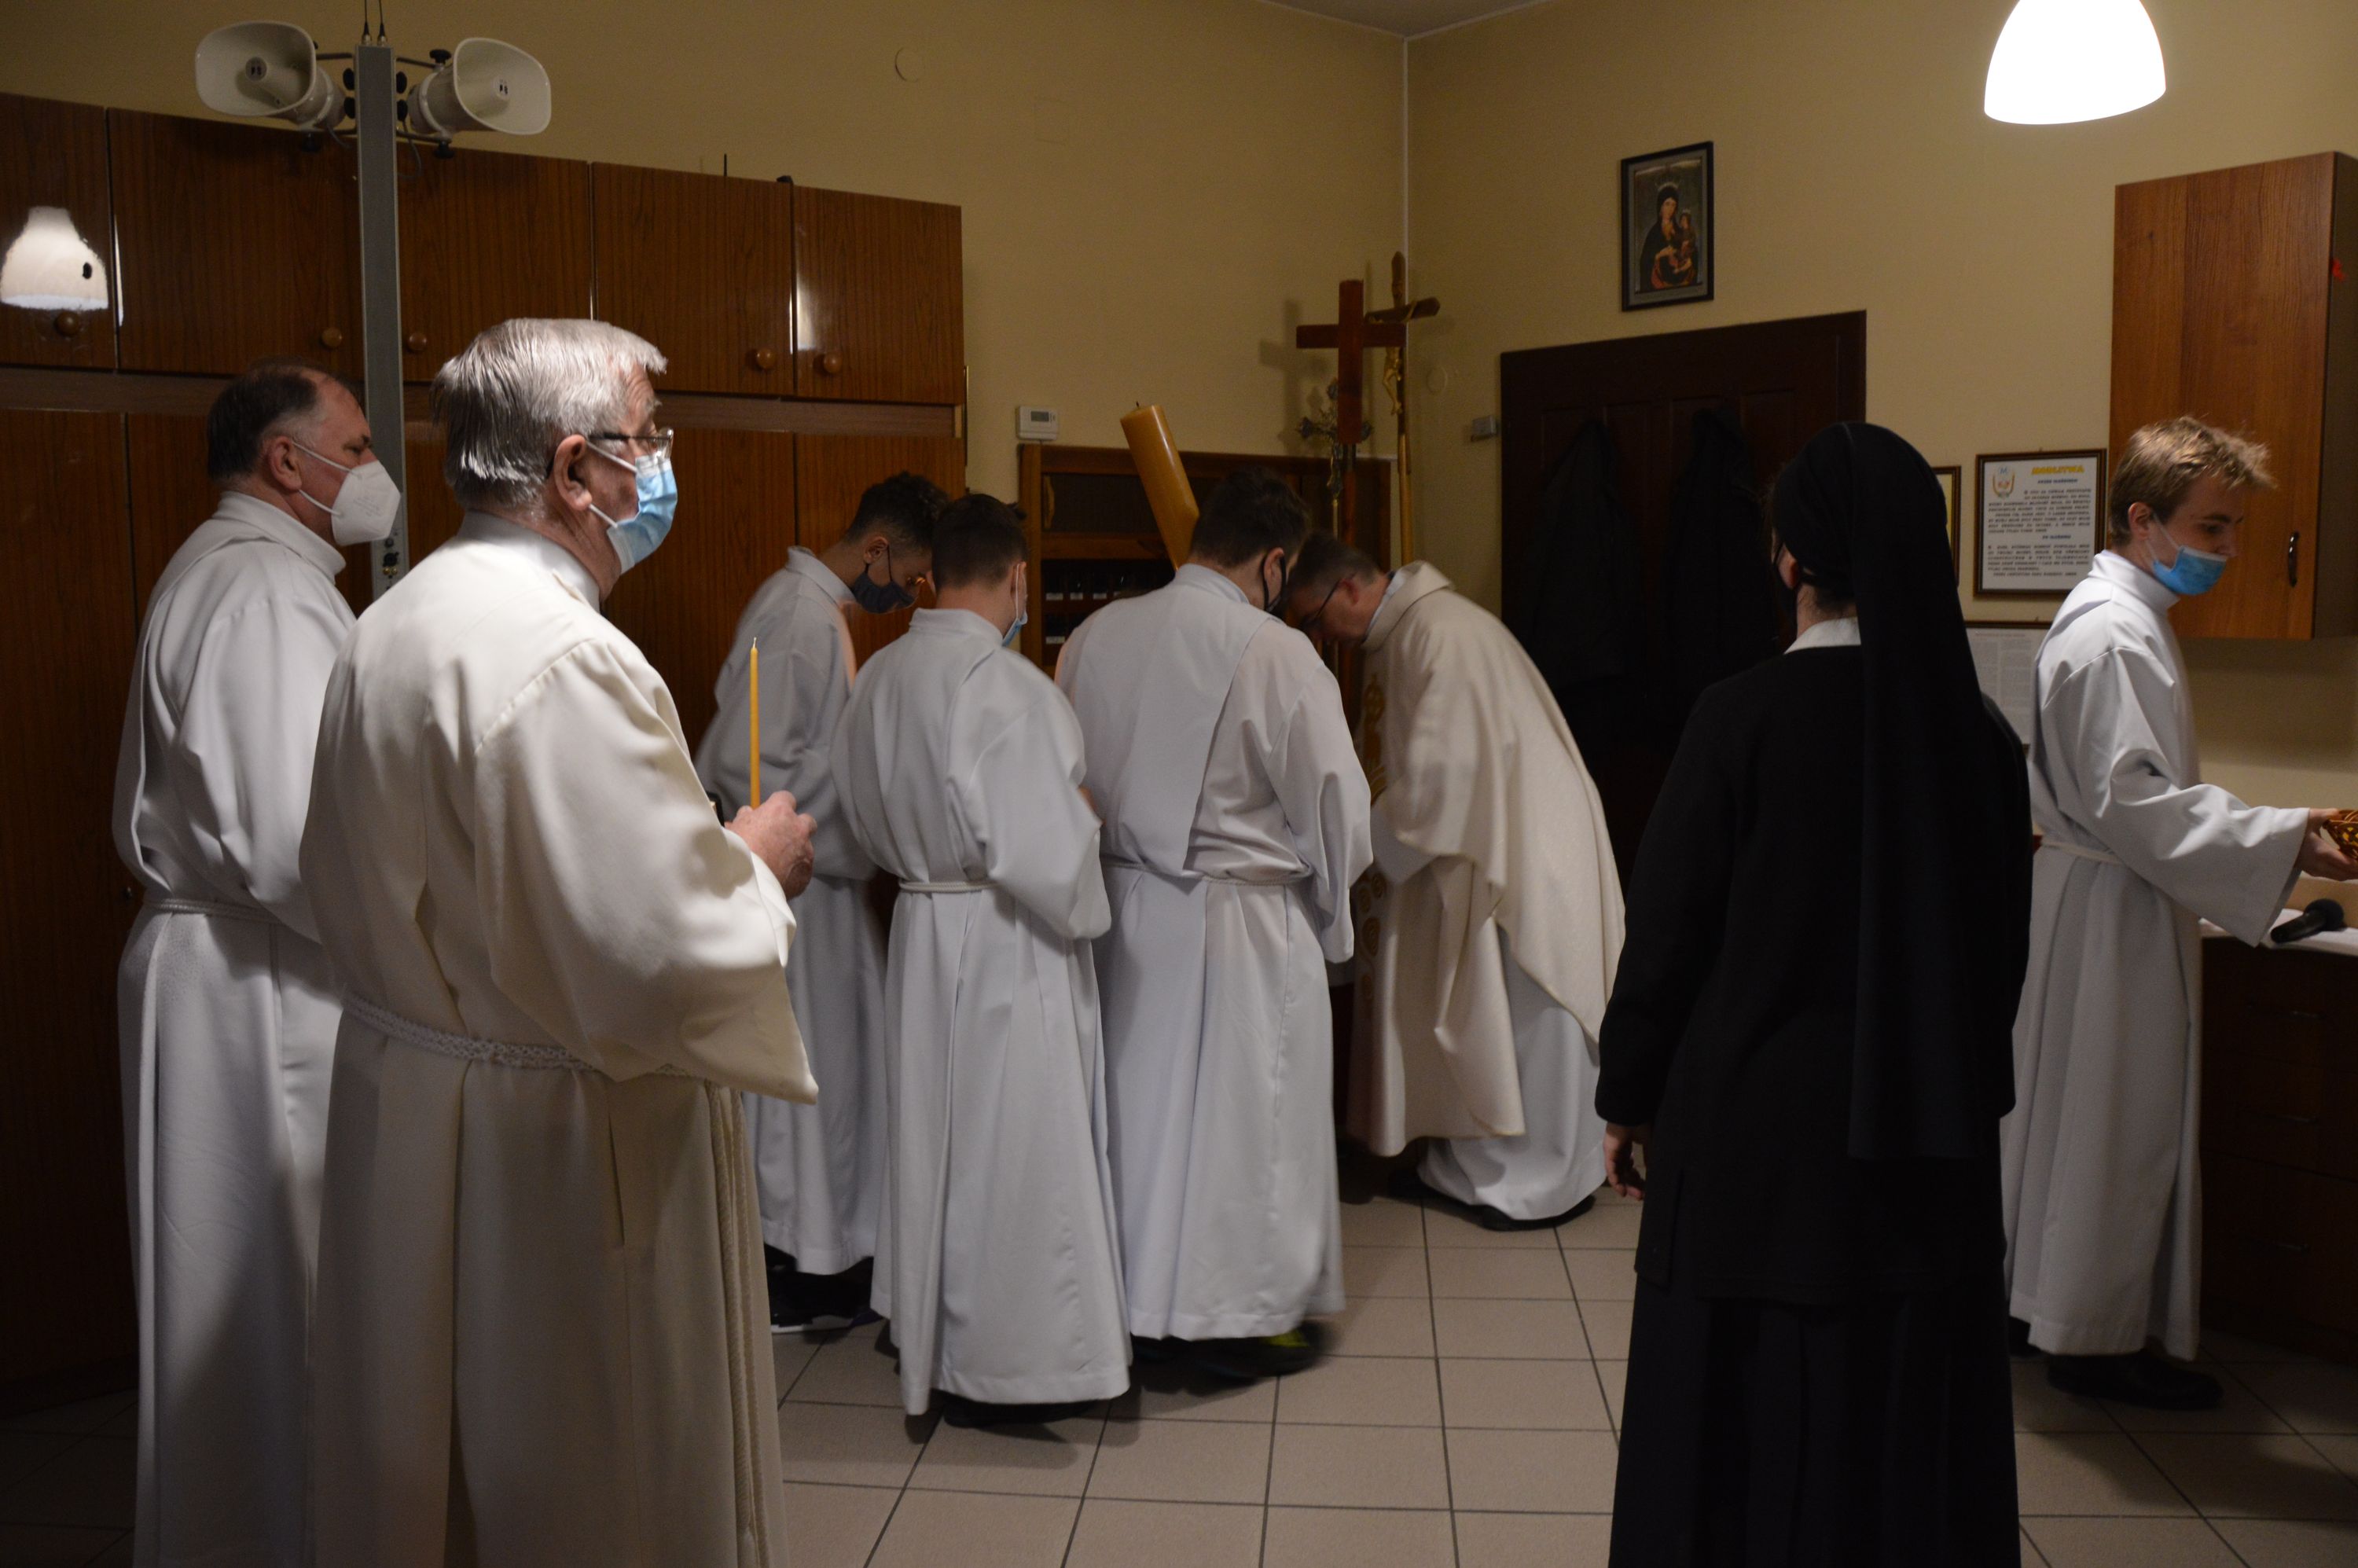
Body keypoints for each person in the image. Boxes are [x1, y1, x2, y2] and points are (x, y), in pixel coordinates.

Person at [301, 318, 820, 1566]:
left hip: (424, 1106)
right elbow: (658, 960)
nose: (664, 462)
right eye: (650, 435)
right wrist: (754, 866)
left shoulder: (397, 614)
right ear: (577, 468)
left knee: (442, 1468)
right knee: (595, 1477)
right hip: (561, 1152)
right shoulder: (568, 656)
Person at [1598, 423, 2029, 1564]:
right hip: (1923, 1157)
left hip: (1750, 1147)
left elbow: (1667, 938)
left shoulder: (1738, 718)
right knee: (1894, 1440)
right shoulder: (1978, 738)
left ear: (1789, 558)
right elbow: (1999, 959)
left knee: (1742, 1436)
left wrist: (1628, 1094)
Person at [2002, 417, 2356, 1409]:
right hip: (2110, 907)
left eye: (2236, 528)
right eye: (2211, 528)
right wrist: (2288, 836)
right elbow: (2136, 803)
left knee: (2075, 1119)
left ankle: (2045, 1309)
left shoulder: (2121, 616)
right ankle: (2092, 1341)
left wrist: (2275, 835)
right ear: (2141, 519)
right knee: (2115, 1126)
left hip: (2099, 896)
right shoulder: (2114, 633)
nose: (2229, 551)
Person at [113, 358, 396, 1568]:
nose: (377, 471)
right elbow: (296, 841)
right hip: (267, 982)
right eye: (360, 446)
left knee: (240, 1309)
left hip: (231, 965)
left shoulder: (228, 568)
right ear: (289, 461)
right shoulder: (267, 591)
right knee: (288, 1301)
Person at [1056, 468, 1372, 1380]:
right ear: (1274, 563)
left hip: (1120, 909)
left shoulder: (1096, 634)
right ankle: (1238, 1317)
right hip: (1241, 917)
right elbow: (1336, 808)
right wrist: (1331, 907)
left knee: (1140, 1120)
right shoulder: (1276, 653)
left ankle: (1138, 1305)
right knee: (1246, 1129)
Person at [829, 492, 1129, 1424]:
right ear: (1018, 578)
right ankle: (1010, 1357)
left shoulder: (879, 677)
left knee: (934, 1138)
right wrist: (1086, 831)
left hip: (921, 925)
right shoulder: (1009, 689)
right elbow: (1051, 857)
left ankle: (927, 1323)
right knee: (1014, 1147)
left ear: (932, 574)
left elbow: (858, 818)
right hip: (1006, 939)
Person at [1284, 531, 1623, 1230]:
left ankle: (1527, 1181)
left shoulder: (1437, 632)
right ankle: (1509, 1170)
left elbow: (1444, 780)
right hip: (1495, 839)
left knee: (1518, 1016)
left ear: (1349, 587)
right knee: (1492, 1016)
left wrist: (1358, 841)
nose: (1321, 637)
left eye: (1315, 617)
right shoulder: (1413, 632)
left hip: (1516, 852)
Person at [696, 470, 947, 1334]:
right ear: (876, 548)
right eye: (909, 574)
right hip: (796, 883)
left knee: (837, 1082)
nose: (908, 594)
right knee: (806, 1088)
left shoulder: (816, 610)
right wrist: (868, 791)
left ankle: (828, 1252)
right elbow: (747, 763)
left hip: (825, 888)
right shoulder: (799, 616)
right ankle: (793, 1265)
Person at [1638, 183, 1697, 292]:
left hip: (1681, 279)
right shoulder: (1654, 233)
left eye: (1673, 205)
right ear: (1660, 207)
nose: (1670, 209)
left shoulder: (1679, 231)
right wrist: (1660, 254)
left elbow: (1692, 251)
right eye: (1667, 204)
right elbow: (1644, 261)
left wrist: (1687, 253)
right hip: (1659, 283)